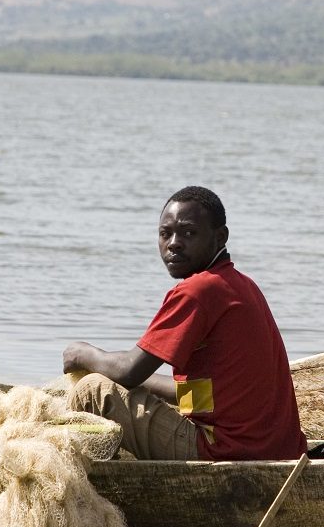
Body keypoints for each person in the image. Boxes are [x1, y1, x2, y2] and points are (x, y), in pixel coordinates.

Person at [62, 186, 306, 462]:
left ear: (220, 237)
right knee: (110, 380)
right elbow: (192, 391)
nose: (174, 243)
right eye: (165, 233)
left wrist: (81, 353)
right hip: (272, 449)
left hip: (223, 451)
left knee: (93, 389)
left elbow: (129, 370)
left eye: (188, 233)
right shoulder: (240, 285)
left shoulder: (199, 290)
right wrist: (127, 382)